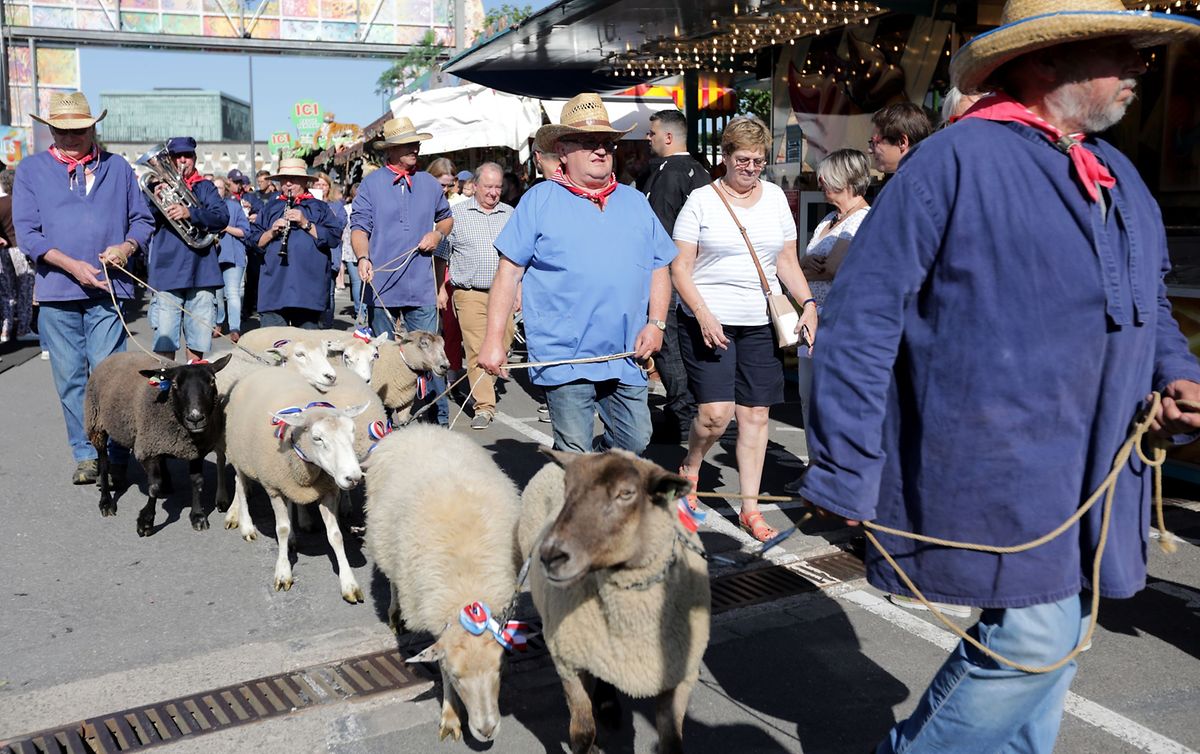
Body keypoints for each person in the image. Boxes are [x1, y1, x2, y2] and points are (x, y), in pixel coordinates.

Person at [799, 1, 1200, 750]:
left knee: (1058, 644)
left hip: (1099, 472)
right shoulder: (951, 162)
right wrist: (845, 468)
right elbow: (858, 325)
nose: (1141, 66)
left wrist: (1178, 375)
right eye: (1121, 50)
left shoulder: (1116, 171)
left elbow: (1149, 303)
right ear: (1048, 61)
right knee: (1038, 639)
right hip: (995, 470)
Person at [479, 92, 676, 455]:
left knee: (634, 441)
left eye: (605, 143)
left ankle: (595, 481)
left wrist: (657, 323)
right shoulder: (540, 200)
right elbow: (508, 273)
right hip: (564, 355)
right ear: (563, 152)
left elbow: (660, 265)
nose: (600, 150)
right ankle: (580, 502)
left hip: (626, 353)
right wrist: (494, 340)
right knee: (574, 453)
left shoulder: (634, 202)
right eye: (587, 143)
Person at [670, 116, 818, 543]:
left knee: (755, 415)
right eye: (743, 160)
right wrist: (702, 313)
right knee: (715, 416)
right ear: (725, 156)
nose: (752, 168)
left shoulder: (774, 200)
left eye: (759, 161)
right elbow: (680, 267)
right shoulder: (701, 200)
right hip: (708, 320)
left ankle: (749, 508)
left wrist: (807, 303)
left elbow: (786, 261)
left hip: (759, 323)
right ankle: (692, 468)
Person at [12, 91, 154, 483]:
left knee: (109, 374)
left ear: (92, 128)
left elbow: (142, 221)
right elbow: (28, 234)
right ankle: (88, 452)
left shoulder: (119, 169)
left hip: (109, 290)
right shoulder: (31, 170)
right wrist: (71, 265)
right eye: (61, 129)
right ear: (51, 129)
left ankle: (117, 448)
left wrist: (126, 248)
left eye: (77, 129)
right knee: (71, 376)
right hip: (58, 290)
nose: (69, 136)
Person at [350, 117, 453, 425]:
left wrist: (437, 235)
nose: (415, 149)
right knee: (382, 359)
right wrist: (362, 257)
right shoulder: (372, 184)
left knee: (432, 356)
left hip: (421, 285)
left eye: (416, 144)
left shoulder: (429, 183)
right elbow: (359, 227)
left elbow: (446, 219)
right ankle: (380, 422)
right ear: (392, 150)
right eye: (409, 144)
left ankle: (437, 421)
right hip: (382, 284)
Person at [642, 108, 712, 441]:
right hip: (698, 273)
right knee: (685, 345)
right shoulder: (701, 171)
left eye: (652, 132)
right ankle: (685, 411)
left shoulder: (670, 174)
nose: (648, 138)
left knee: (668, 345)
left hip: (670, 272)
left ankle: (683, 413)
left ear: (668, 137)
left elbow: (657, 232)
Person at [791, 148, 871, 436]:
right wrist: (804, 265)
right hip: (813, 319)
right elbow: (804, 263)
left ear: (844, 178)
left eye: (825, 176)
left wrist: (802, 267)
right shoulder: (829, 220)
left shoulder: (861, 218)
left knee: (827, 400)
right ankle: (814, 464)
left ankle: (826, 465)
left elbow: (833, 269)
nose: (820, 181)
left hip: (837, 322)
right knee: (807, 396)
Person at [435, 162, 515, 430]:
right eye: (488, 187)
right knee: (477, 348)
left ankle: (484, 385)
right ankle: (484, 406)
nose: (493, 193)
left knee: (501, 347)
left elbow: (520, 259)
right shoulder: (456, 215)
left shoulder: (511, 215)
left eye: (498, 187)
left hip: (503, 294)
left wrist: (521, 292)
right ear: (475, 186)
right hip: (468, 293)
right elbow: (441, 257)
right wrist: (439, 290)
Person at [145, 136, 229, 361]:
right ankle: (165, 391)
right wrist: (155, 197)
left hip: (202, 271)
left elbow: (222, 218)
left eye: (187, 156)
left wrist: (190, 213)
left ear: (195, 158)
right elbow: (144, 220)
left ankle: (192, 385)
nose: (183, 160)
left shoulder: (205, 187)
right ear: (169, 160)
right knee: (164, 338)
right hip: (167, 271)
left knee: (198, 339)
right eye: (177, 156)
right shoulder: (154, 188)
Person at [251, 158, 344, 328]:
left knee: (307, 349)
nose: (288, 184)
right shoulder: (270, 207)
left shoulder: (320, 207)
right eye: (284, 180)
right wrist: (272, 232)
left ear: (304, 181)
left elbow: (334, 238)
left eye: (293, 179)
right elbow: (253, 240)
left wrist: (305, 224)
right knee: (274, 348)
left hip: (308, 291)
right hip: (275, 289)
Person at [211, 176, 250, 343]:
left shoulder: (234, 206)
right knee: (217, 296)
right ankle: (218, 322)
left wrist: (225, 227)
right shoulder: (205, 207)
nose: (216, 191)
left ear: (225, 190)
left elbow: (245, 231)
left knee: (232, 293)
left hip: (233, 256)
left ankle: (235, 328)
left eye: (219, 188)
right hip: (213, 256)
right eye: (213, 188)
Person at [0, 169, 35, 343]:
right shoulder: (23, 202)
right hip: (21, 250)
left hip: (4, 251)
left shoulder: (1, 203)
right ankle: (23, 329)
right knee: (25, 290)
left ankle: (5, 330)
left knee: (7, 293)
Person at [312, 172, 345, 328]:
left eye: (323, 185)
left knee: (329, 292)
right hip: (311, 255)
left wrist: (326, 211)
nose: (320, 188)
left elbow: (340, 225)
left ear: (329, 188)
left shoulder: (336, 205)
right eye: (317, 185)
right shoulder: (307, 204)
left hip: (331, 255)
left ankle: (327, 324)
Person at [868, 102, 932, 174]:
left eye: (876, 142)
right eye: (871, 143)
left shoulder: (916, 182)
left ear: (902, 142)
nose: (870, 151)